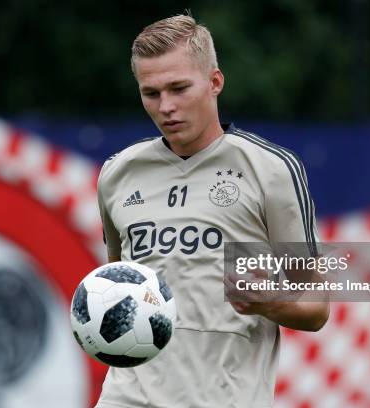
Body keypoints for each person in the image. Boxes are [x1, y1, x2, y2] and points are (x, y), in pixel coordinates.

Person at [96, 14, 329, 408]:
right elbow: (116, 279)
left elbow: (317, 305)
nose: (165, 106)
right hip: (126, 396)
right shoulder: (118, 173)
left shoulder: (269, 169)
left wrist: (268, 301)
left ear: (214, 82)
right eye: (151, 93)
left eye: (179, 88)